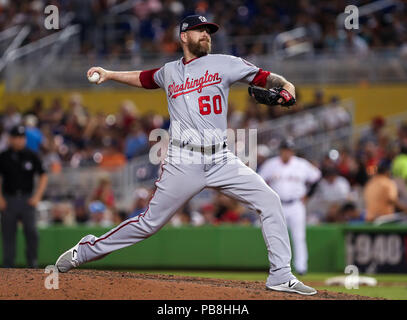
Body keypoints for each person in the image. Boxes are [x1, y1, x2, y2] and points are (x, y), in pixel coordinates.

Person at [55, 15, 316, 295]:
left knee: (269, 200)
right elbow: (144, 78)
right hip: (183, 161)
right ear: (183, 37)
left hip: (221, 159)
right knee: (149, 224)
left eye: (208, 31)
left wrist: (287, 87)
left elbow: (268, 77)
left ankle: (280, 275)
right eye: (199, 30)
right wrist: (109, 74)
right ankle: (85, 250)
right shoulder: (169, 72)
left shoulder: (226, 63)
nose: (206, 34)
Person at [259, 139, 321, 275]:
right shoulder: (271, 164)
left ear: (292, 151)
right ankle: (278, 267)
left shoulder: (301, 164)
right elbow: (259, 181)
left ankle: (301, 268)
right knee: (277, 237)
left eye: (289, 150)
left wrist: (308, 196)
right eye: (285, 149)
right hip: (278, 205)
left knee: (298, 237)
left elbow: (317, 178)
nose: (287, 152)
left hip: (296, 205)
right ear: (280, 150)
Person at [0, 125, 48, 268]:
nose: (19, 141)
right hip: (9, 199)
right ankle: (8, 266)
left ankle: (32, 263)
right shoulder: (4, 156)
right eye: (16, 138)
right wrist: (0, 198)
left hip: (28, 200)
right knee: (8, 234)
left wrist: (38, 196)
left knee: (32, 232)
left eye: (21, 138)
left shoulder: (32, 155)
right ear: (10, 139)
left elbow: (43, 175)